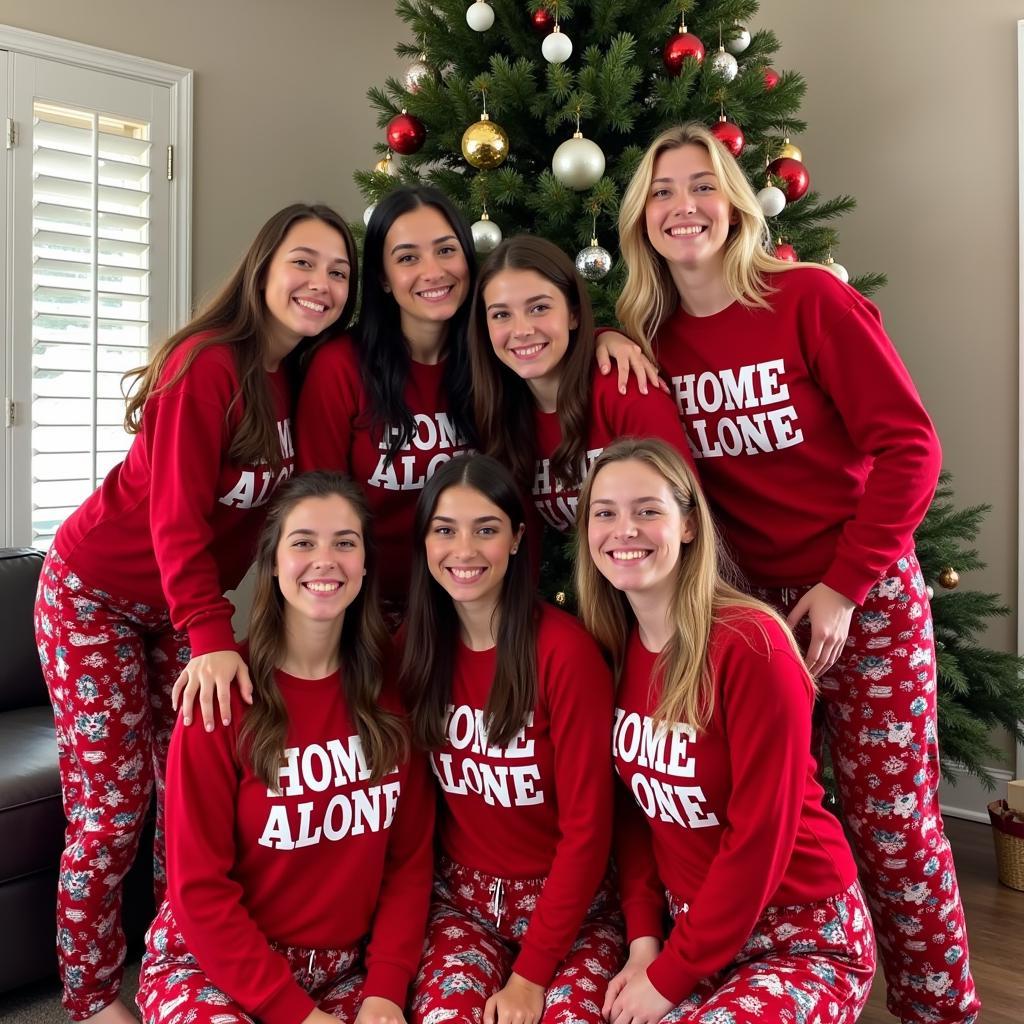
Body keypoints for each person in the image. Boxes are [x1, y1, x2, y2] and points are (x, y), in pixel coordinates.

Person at [608, 123, 980, 1024]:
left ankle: (942, 1012)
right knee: (750, 821)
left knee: (892, 828)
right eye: (660, 191)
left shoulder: (808, 300)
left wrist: (847, 587)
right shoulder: (644, 336)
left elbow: (910, 447)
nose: (682, 205)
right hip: (736, 617)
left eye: (702, 185)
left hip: (861, 595)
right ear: (638, 218)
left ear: (735, 203)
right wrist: (603, 339)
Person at [33, 204, 357, 1024]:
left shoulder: (298, 381)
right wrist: (213, 639)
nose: (321, 284)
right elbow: (175, 520)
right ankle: (92, 995)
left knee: (193, 808)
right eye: (304, 263)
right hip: (93, 598)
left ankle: (174, 965)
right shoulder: (205, 363)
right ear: (262, 267)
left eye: (338, 272)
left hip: (179, 614)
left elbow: (287, 522)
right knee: (112, 812)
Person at [575, 437, 875, 1024]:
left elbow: (761, 835)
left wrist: (668, 979)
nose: (623, 529)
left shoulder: (751, 645)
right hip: (687, 930)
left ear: (688, 526)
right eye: (604, 513)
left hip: (800, 930)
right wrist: (644, 945)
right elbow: (635, 816)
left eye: (647, 511)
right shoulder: (614, 647)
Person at [136, 471, 434, 1024]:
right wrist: (293, 1013)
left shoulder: (395, 694)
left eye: (345, 543)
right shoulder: (221, 698)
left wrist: (387, 990)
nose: (326, 560)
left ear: (366, 563)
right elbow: (198, 890)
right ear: (272, 563)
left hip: (347, 971)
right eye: (303, 543)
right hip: (217, 964)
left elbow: (409, 864)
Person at [296, 189, 660, 615]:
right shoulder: (340, 366)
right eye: (408, 257)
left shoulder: (495, 357)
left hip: (484, 606)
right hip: (373, 610)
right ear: (382, 278)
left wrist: (602, 336)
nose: (433, 271)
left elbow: (543, 345)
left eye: (446, 250)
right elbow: (315, 506)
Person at [401, 454, 623, 1024]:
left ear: (519, 539)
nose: (464, 550)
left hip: (573, 908)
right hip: (462, 906)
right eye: (445, 530)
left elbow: (589, 830)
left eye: (487, 530)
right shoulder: (412, 650)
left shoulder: (564, 654)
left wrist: (529, 978)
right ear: (424, 542)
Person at [469, 235, 694, 535]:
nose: (521, 330)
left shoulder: (625, 388)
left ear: (573, 314)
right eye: (501, 315)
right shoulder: (500, 412)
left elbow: (684, 518)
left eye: (539, 308)